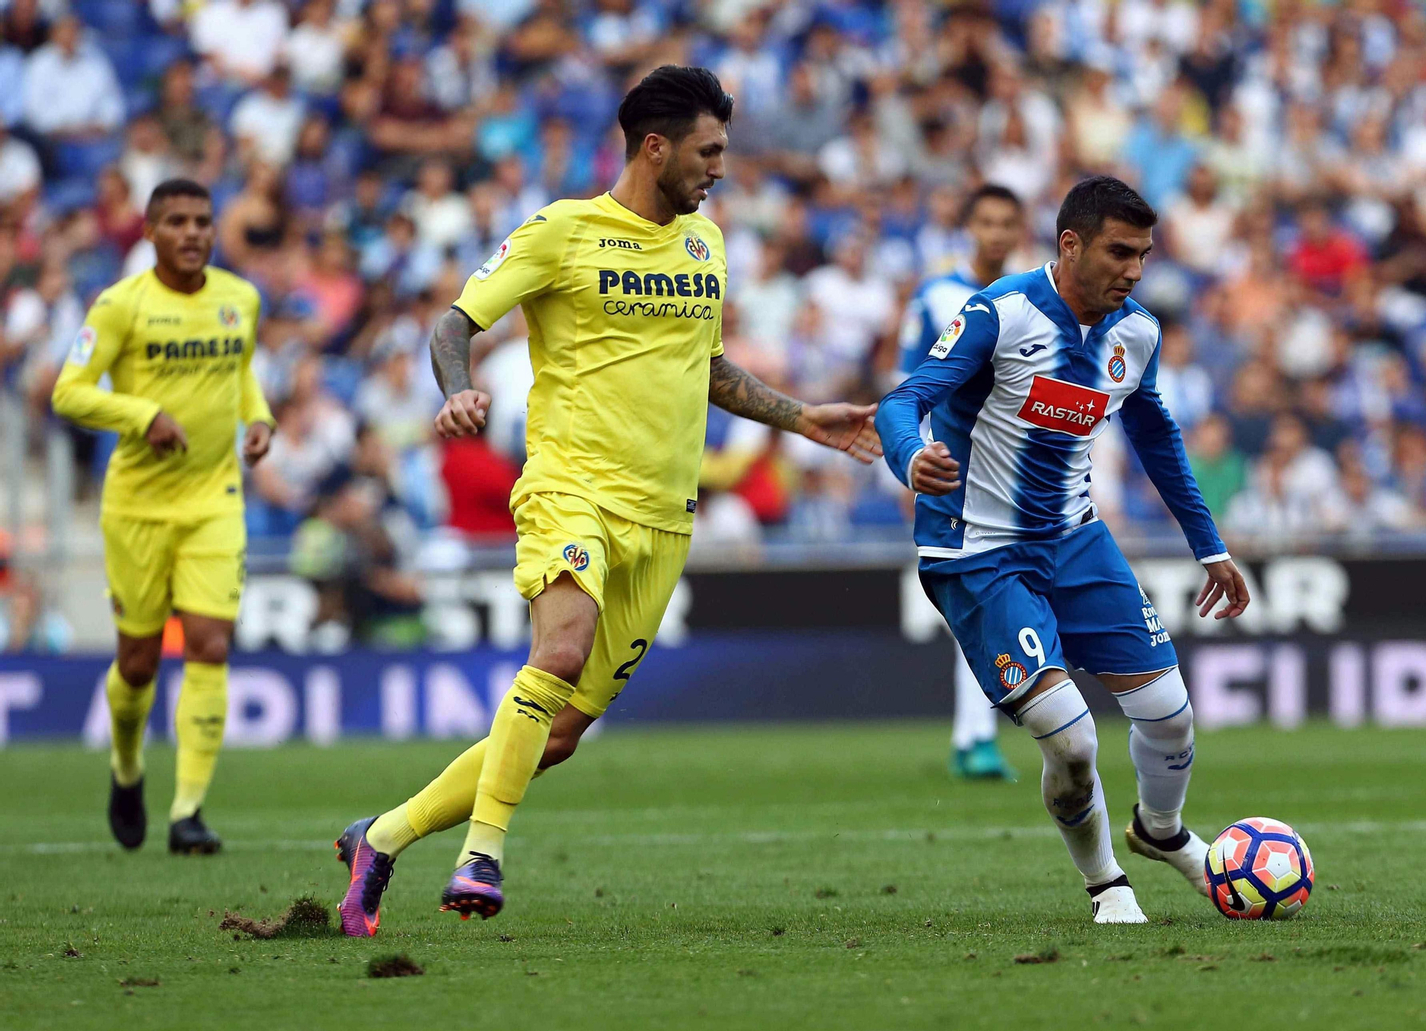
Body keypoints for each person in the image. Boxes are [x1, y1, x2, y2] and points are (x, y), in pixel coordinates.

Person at [333, 66, 878, 937]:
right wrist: (457, 389)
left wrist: (801, 416)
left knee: (558, 735)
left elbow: (706, 366)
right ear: (654, 147)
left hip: (664, 517)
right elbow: (453, 323)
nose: (720, 170)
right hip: (570, 486)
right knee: (562, 645)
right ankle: (482, 851)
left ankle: (382, 836)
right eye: (708, 152)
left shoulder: (707, 245)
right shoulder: (562, 231)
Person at [876, 176, 1251, 924]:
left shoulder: (1135, 332)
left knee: (1171, 718)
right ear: (1070, 244)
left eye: (1144, 255)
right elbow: (901, 400)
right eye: (1120, 252)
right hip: (977, 553)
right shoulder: (999, 313)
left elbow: (1156, 435)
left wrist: (1210, 546)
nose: (1134, 271)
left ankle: (1161, 830)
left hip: (1077, 540)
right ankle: (1107, 882)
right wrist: (911, 457)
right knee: (1074, 742)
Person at [49, 179, 276, 855]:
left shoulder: (240, 299)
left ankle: (187, 811)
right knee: (140, 662)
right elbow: (69, 391)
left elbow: (241, 375)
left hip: (214, 498)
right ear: (148, 231)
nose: (192, 232)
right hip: (138, 506)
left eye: (202, 220)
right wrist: (143, 415)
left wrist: (257, 418)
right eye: (175, 221)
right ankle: (126, 768)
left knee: (209, 643)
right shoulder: (120, 306)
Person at [896, 183, 1026, 782]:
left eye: (1007, 223)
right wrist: (913, 465)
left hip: (1016, 473)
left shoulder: (1031, 297)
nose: (997, 233)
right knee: (979, 600)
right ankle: (975, 738)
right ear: (969, 227)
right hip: (952, 467)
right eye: (987, 222)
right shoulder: (936, 295)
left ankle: (975, 735)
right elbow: (907, 385)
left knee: (995, 603)